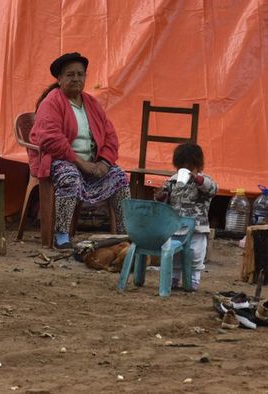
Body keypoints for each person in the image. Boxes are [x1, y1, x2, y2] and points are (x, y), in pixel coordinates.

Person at [29, 52, 130, 249]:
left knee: (119, 177)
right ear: (59, 79)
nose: (76, 78)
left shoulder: (91, 103)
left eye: (80, 74)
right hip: (61, 161)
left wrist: (104, 163)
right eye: (70, 74)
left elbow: (110, 136)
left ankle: (124, 233)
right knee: (69, 177)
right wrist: (81, 163)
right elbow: (51, 139)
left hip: (92, 164)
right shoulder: (52, 102)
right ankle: (62, 234)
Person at [155, 143, 217, 291]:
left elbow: (212, 189)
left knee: (196, 253)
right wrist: (161, 196)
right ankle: (174, 277)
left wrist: (198, 179)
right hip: (176, 227)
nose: (186, 171)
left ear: (198, 166)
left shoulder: (204, 181)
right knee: (175, 254)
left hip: (197, 227)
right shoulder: (172, 181)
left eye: (190, 167)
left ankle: (194, 279)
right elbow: (164, 198)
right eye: (182, 167)